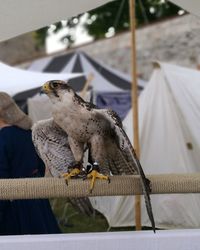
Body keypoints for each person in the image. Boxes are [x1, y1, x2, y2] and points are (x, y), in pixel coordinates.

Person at [0, 92, 61, 235]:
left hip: (13, 207)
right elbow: (40, 165)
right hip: (36, 200)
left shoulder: (3, 139)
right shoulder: (27, 133)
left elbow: (1, 181)